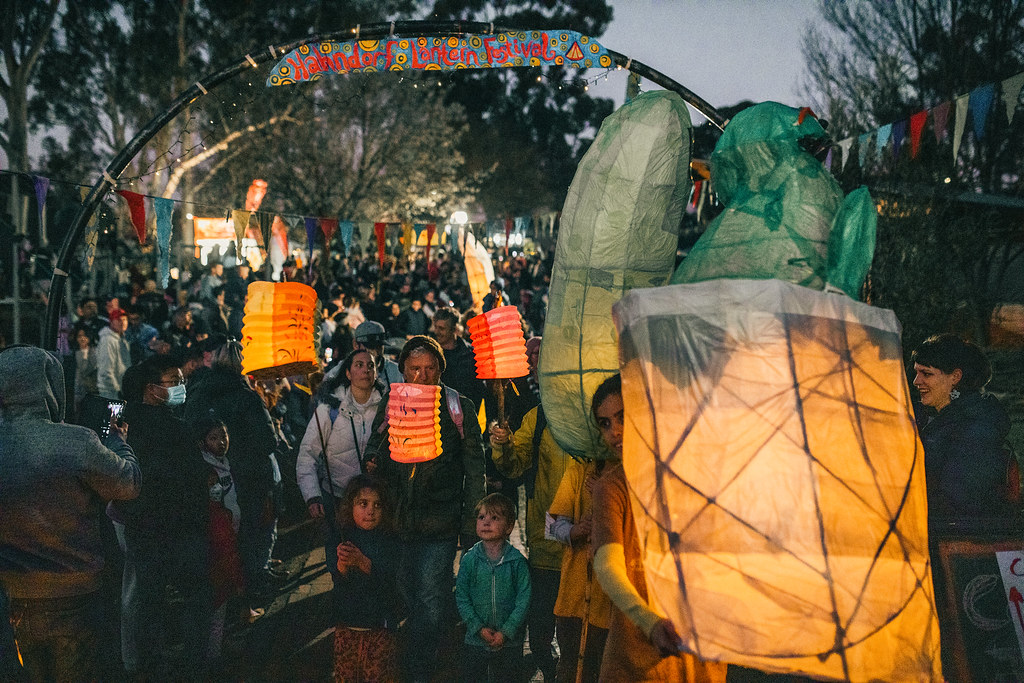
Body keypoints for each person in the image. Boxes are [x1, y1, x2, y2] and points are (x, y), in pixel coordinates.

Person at [0, 345, 141, 681]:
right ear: (51, 385)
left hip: (14, 596)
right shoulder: (78, 442)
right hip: (76, 594)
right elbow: (129, 484)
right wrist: (119, 441)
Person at [364, 335, 487, 681]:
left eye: (429, 368)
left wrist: (470, 522)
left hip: (440, 524)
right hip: (398, 522)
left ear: (440, 370)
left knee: (432, 599)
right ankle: (410, 651)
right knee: (404, 594)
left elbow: (475, 469)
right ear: (402, 370)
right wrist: (373, 462)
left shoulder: (456, 407)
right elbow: (375, 446)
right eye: (414, 369)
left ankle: (421, 664)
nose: (421, 376)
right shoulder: (391, 404)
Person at [590, 375, 727, 682]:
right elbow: (607, 565)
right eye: (605, 423)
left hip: (700, 647)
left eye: (623, 417)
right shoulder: (612, 488)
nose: (615, 432)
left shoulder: (695, 477)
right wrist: (649, 622)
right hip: (636, 655)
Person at [111, 356, 209, 679]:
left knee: (150, 603)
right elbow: (196, 481)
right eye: (174, 381)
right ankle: (195, 664)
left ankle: (151, 666)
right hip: (181, 531)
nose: (181, 387)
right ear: (152, 390)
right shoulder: (178, 430)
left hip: (143, 531)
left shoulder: (122, 432)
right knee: (194, 599)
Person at [185, 341, 280, 616]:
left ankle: (219, 613)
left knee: (219, 547)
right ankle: (243, 606)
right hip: (247, 481)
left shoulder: (198, 393)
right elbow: (267, 441)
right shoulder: (247, 396)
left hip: (210, 480)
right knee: (246, 543)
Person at [296, 349, 384, 582]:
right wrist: (312, 496)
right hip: (337, 499)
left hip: (373, 502)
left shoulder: (386, 408)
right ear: (347, 372)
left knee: (374, 560)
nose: (366, 370)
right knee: (340, 560)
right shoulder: (330, 409)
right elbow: (307, 454)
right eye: (359, 365)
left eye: (371, 365)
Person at [911, 333, 1013, 523]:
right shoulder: (931, 419)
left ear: (955, 377)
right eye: (917, 373)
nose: (916, 381)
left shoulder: (976, 428)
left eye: (926, 374)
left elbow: (958, 499)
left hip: (959, 536)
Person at [331, 475, 404, 683]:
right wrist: (342, 568)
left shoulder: (390, 540)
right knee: (346, 676)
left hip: (380, 628)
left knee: (379, 675)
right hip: (348, 626)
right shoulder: (343, 536)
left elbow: (389, 582)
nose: (370, 511)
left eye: (377, 505)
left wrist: (363, 562)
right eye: (363, 504)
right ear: (350, 506)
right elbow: (339, 584)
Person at [548, 457, 613, 682]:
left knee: (603, 667)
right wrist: (576, 530)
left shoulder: (631, 476)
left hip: (610, 602)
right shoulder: (577, 472)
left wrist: (606, 496)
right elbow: (554, 525)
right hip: (572, 597)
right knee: (571, 664)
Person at [455, 493, 532, 683]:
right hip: (476, 638)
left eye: (494, 518)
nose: (486, 522)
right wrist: (477, 627)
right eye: (481, 517)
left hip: (509, 641)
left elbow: (524, 599)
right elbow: (462, 596)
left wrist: (507, 631)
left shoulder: (516, 563)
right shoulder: (469, 560)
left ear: (509, 526)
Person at [197, 417, 246, 665]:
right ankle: (212, 655)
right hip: (218, 539)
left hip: (230, 534)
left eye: (223, 436)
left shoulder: (225, 463)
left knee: (224, 598)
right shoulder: (207, 471)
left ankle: (221, 642)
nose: (221, 442)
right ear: (203, 442)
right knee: (219, 596)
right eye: (214, 438)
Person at [432, 306, 487, 409]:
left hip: (465, 413)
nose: (436, 332)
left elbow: (478, 388)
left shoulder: (471, 354)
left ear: (454, 329)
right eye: (435, 327)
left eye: (441, 328)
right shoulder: (431, 354)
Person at [96, 307, 131, 399]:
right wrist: (117, 389)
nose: (122, 322)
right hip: (110, 390)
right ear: (111, 322)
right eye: (118, 319)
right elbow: (106, 369)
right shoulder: (108, 340)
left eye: (124, 319)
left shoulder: (123, 339)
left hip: (121, 389)